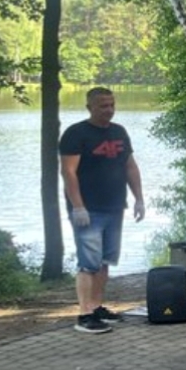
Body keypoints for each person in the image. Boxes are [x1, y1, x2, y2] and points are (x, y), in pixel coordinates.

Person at [60, 86, 146, 334]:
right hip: (89, 209)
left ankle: (97, 306)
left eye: (111, 105)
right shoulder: (76, 134)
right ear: (90, 107)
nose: (108, 110)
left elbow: (130, 166)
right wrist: (78, 207)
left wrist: (139, 198)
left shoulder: (119, 132)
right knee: (88, 263)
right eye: (102, 106)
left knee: (105, 260)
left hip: (114, 205)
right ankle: (84, 314)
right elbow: (68, 172)